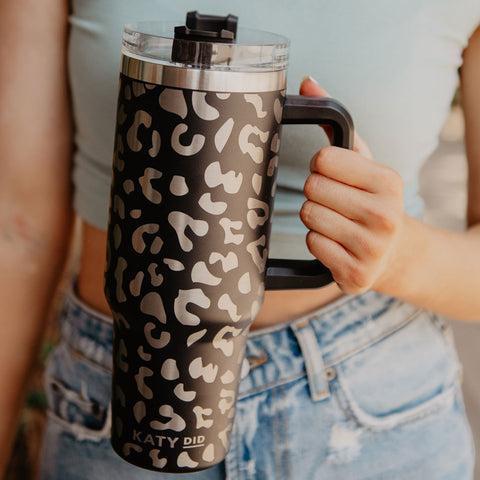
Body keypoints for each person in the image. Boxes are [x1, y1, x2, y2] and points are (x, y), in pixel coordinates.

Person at [1, 0, 479, 479]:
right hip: (127, 380)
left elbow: (19, 231)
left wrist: (396, 254)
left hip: (370, 402)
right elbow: (16, 228)